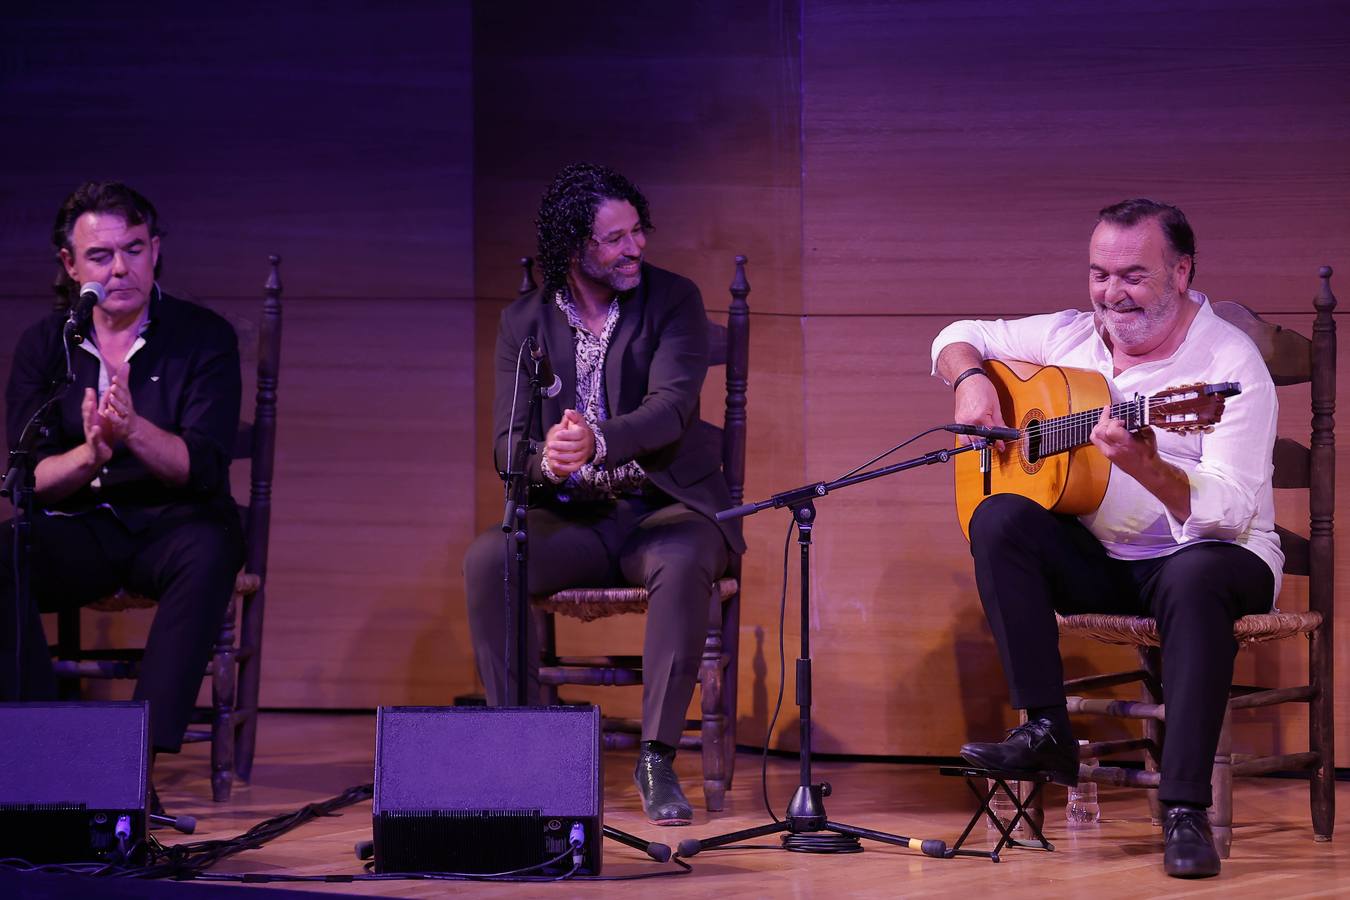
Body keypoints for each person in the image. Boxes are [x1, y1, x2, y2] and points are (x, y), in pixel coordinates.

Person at [931, 199, 1280, 879]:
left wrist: (1150, 468)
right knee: (1000, 517)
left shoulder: (1228, 364)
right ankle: (1046, 730)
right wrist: (972, 381)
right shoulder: (1068, 337)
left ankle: (1184, 809)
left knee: (1194, 575)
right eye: (1099, 273)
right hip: (1107, 558)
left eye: (1132, 276)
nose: (1110, 294)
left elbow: (1231, 512)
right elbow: (955, 332)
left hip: (1215, 556)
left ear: (1182, 272)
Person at [464, 163, 742, 826]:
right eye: (615, 238)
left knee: (682, 564)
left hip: (667, 505)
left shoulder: (672, 300)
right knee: (489, 561)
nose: (636, 246)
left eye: (637, 230)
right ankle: (526, 750)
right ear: (574, 250)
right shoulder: (523, 322)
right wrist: (546, 461)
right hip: (576, 519)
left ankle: (656, 757)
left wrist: (597, 439)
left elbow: (673, 409)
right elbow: (507, 446)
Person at [1, 182, 244, 770]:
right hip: (84, 523)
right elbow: (26, 478)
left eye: (133, 249)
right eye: (100, 256)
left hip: (175, 522)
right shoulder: (47, 345)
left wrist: (132, 430)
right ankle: (39, 756)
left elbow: (202, 465)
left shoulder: (203, 337)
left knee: (214, 546)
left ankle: (133, 762)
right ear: (70, 264)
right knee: (7, 549)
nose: (119, 269)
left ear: (155, 250)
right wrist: (91, 453)